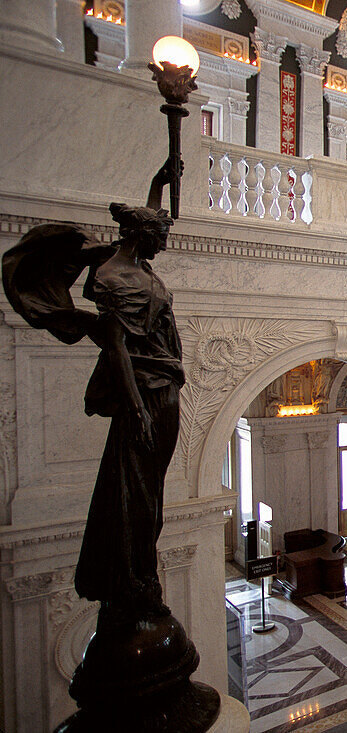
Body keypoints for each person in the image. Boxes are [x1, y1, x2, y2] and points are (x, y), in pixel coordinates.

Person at [2, 162, 184, 629]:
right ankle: (133, 580)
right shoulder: (112, 279)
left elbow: (143, 227)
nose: (163, 245)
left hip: (163, 385)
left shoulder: (135, 263)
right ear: (140, 238)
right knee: (138, 494)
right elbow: (118, 345)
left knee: (153, 491)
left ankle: (142, 577)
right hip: (144, 390)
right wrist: (137, 407)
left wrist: (158, 185)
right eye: (158, 238)